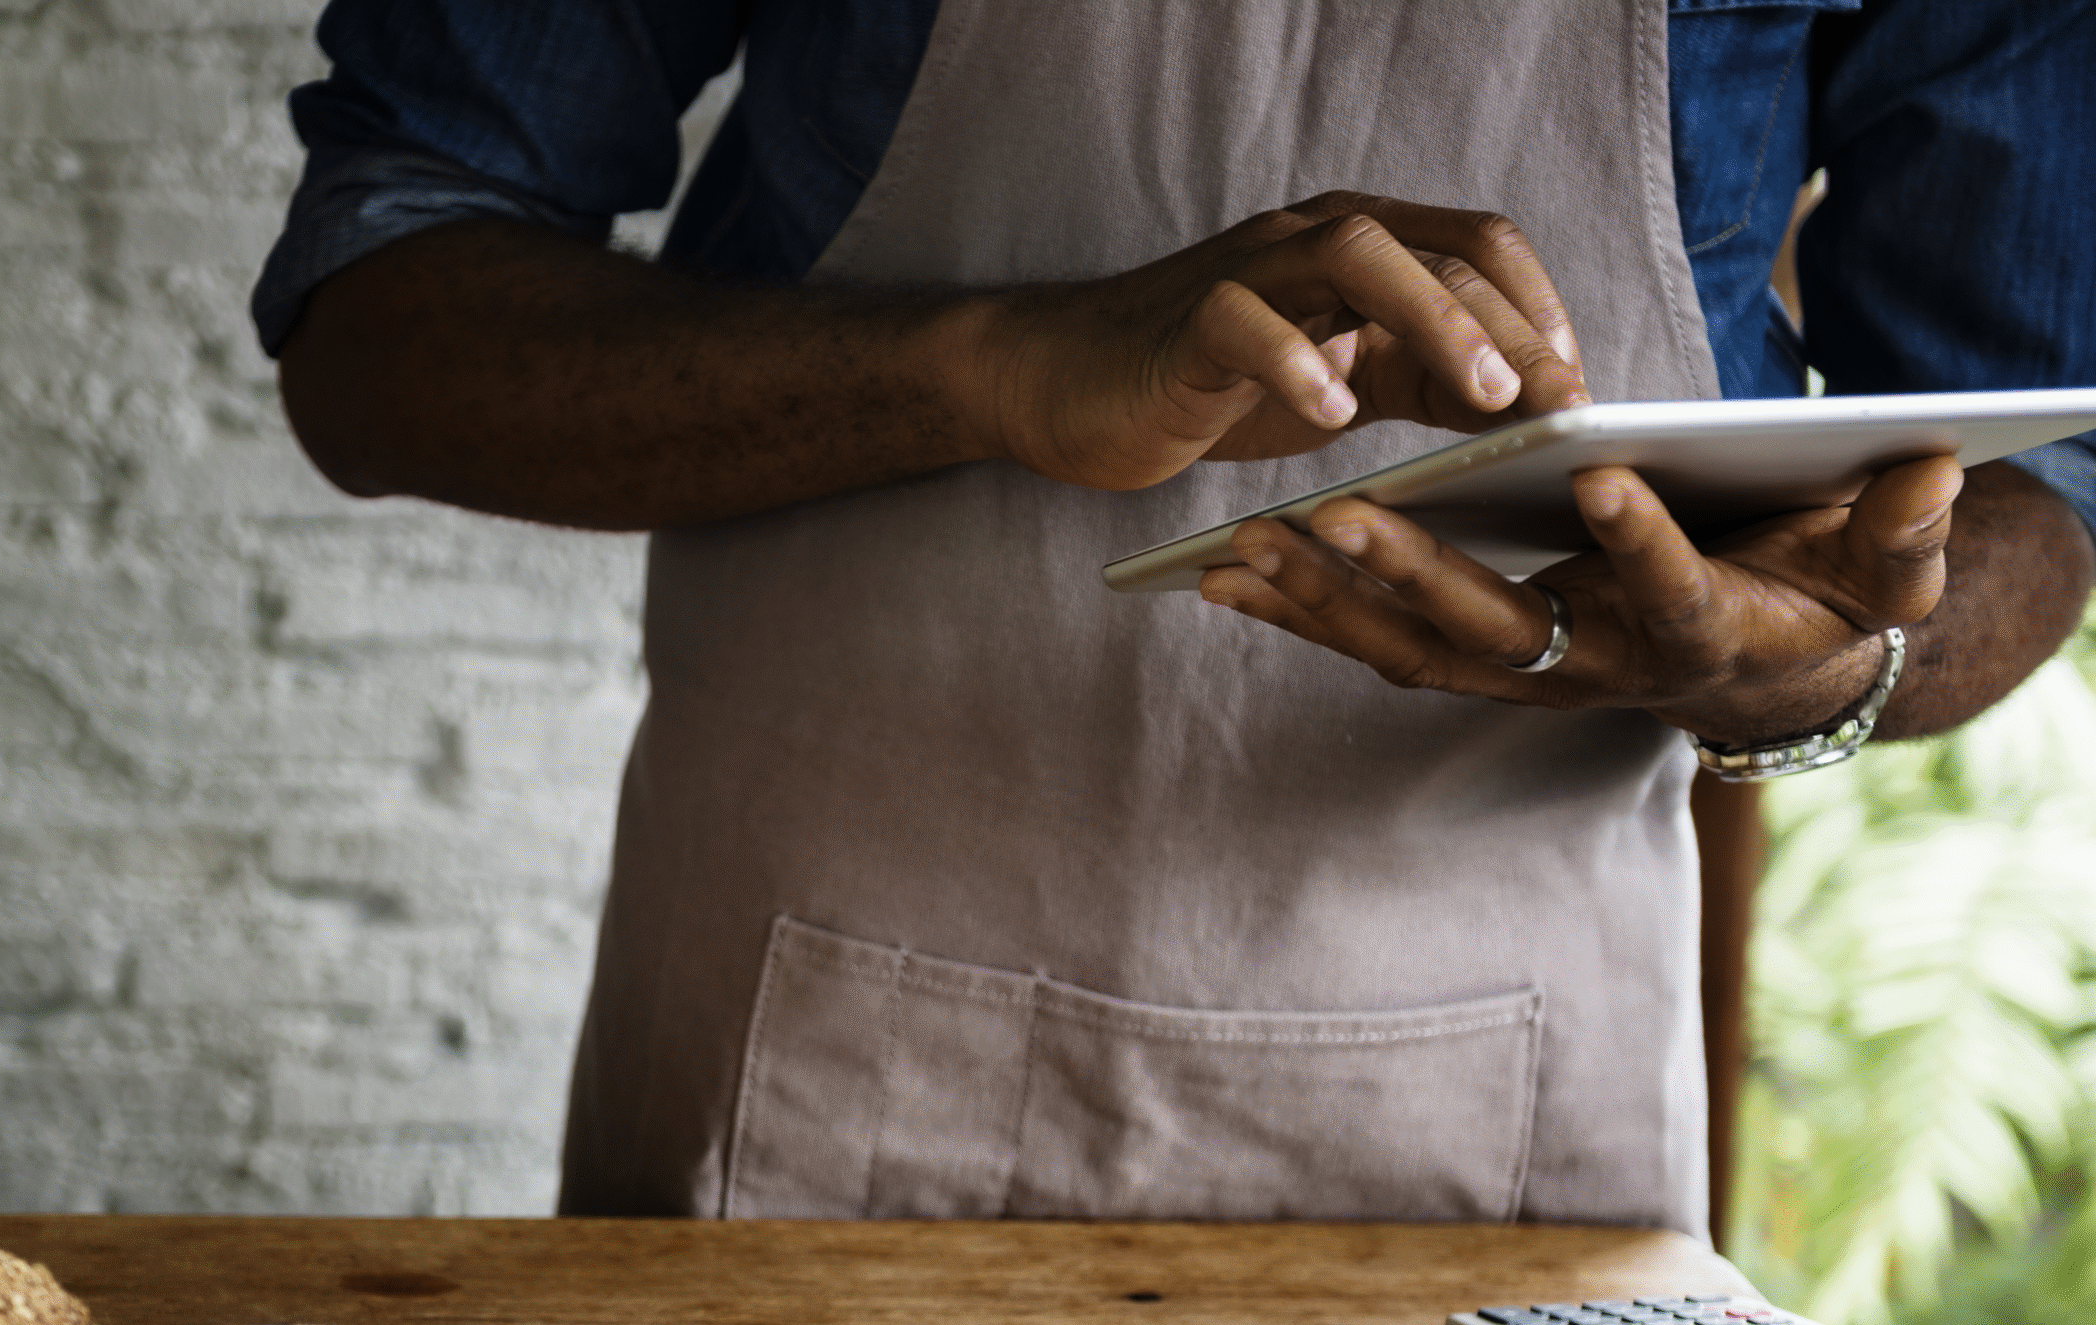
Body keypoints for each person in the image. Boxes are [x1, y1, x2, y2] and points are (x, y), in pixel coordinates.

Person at [252, 1, 2096, 1234]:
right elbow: (385, 314)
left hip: (1523, 1107)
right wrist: (991, 366)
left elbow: (2039, 476)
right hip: (794, 1043)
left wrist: (1835, 658)